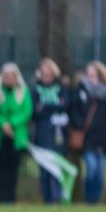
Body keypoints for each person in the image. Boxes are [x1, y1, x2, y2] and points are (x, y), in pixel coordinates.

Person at [68, 62, 106, 204]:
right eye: (88, 74)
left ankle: (96, 199)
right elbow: (74, 111)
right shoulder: (80, 91)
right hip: (88, 138)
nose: (90, 77)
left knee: (99, 173)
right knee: (91, 169)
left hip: (103, 139)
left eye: (93, 75)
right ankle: (89, 199)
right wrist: (80, 125)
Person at [30, 58, 69, 204]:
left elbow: (64, 106)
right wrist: (53, 106)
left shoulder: (62, 89)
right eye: (44, 74)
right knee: (45, 170)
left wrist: (46, 107)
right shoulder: (36, 90)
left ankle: (57, 198)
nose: (46, 77)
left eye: (49, 74)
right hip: (41, 136)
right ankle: (47, 199)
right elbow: (36, 111)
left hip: (58, 136)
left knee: (56, 169)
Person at [0, 62, 31, 204]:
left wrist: (12, 124)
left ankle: (11, 198)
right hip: (1, 137)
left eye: (11, 76)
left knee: (13, 170)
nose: (8, 79)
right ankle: (1, 198)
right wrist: (3, 124)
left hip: (16, 137)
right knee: (2, 170)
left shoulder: (23, 92)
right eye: (6, 76)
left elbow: (26, 111)